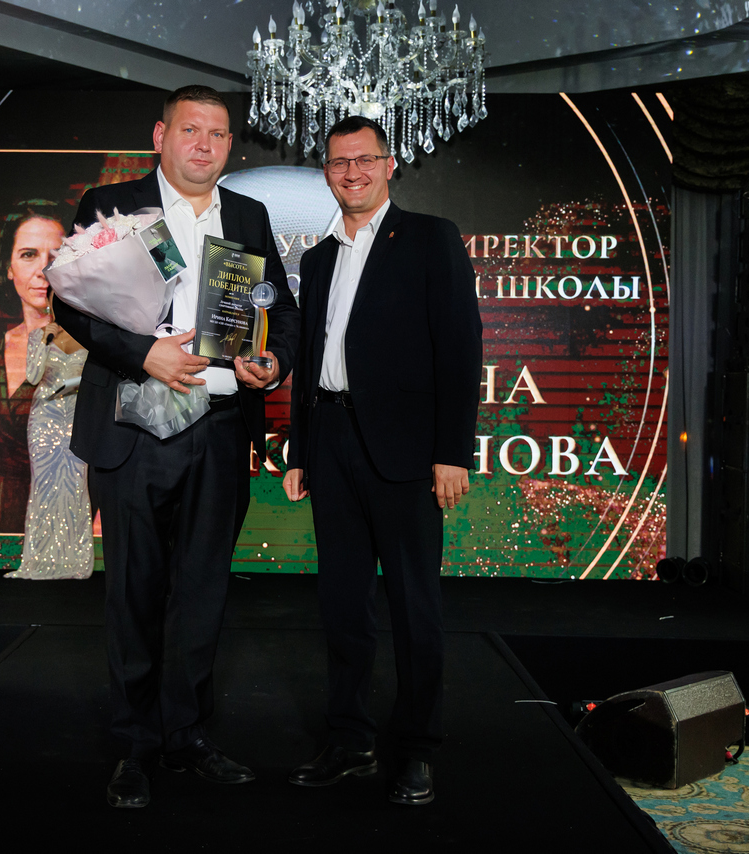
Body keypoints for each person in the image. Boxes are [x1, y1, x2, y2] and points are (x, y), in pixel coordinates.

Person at [52, 85, 301, 809]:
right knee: (134, 593)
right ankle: (134, 746)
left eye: (217, 134)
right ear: (161, 136)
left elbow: (279, 311)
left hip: (219, 428)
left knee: (202, 593)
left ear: (229, 146)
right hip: (134, 428)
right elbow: (70, 299)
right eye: (190, 130)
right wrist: (143, 354)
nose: (204, 145)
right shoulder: (112, 203)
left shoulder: (247, 215)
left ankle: (187, 736)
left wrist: (274, 361)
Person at [282, 116, 483, 806]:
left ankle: (418, 749)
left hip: (407, 454)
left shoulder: (430, 238)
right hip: (330, 443)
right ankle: (349, 741)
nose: (353, 172)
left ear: (390, 165)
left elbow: (460, 349)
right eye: (340, 162)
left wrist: (452, 452)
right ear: (327, 173)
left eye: (365, 160)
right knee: (342, 606)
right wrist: (300, 449)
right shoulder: (317, 259)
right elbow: (309, 359)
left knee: (413, 606)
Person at [0, 209, 84, 540]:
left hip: (61, 511)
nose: (42, 269)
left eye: (55, 255)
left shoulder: (85, 349)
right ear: (8, 267)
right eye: (28, 254)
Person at [0, 211, 92, 580]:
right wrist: (45, 340)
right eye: (28, 255)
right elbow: (34, 376)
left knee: (75, 492)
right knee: (45, 491)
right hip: (45, 420)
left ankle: (74, 563)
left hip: (75, 419)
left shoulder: (87, 337)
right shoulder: (41, 336)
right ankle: (38, 561)